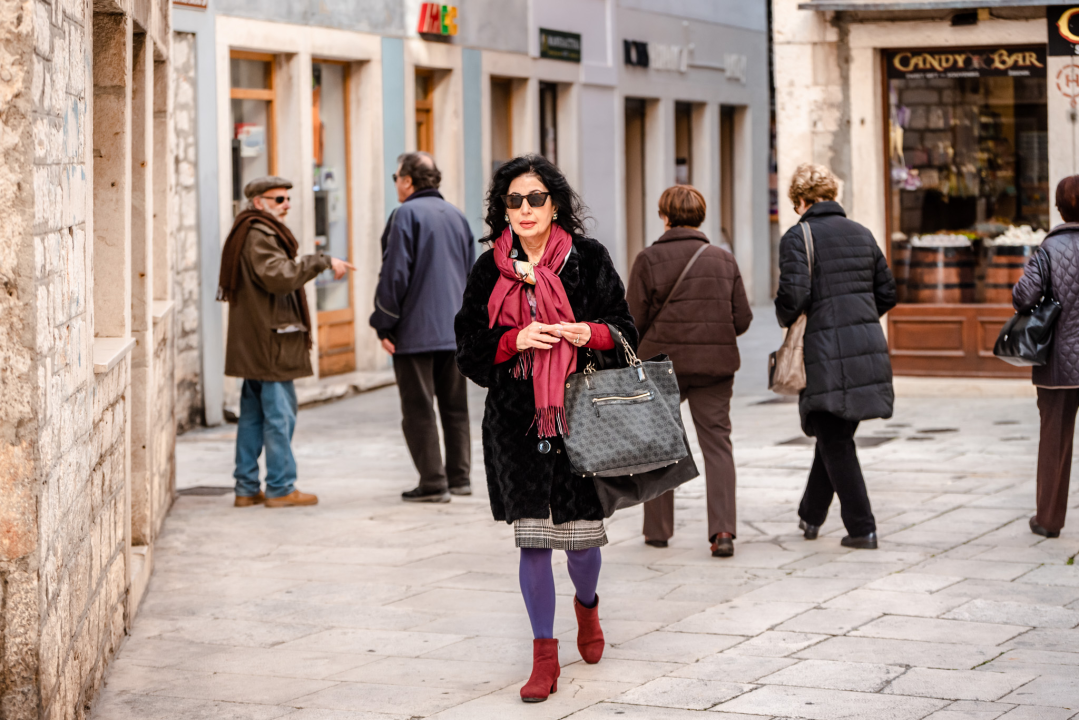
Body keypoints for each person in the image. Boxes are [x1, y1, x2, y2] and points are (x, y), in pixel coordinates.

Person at [455, 154, 637, 703]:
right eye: (514, 200)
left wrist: (587, 332)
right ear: (503, 210)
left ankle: (588, 607)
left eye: (536, 198)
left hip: (578, 415)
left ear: (554, 204)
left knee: (580, 544)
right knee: (532, 541)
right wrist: (514, 340)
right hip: (516, 422)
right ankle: (543, 657)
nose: (526, 208)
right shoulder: (489, 268)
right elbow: (469, 348)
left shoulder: (588, 257)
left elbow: (624, 329)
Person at [627, 185, 752, 558]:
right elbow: (742, 319)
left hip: (661, 366)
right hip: (714, 368)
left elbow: (632, 321)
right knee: (717, 444)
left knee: (660, 443)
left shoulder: (648, 259)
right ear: (701, 217)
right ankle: (723, 531)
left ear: (665, 217)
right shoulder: (724, 260)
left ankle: (658, 531)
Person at [775, 163, 896, 549]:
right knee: (834, 433)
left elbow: (792, 298)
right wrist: (858, 317)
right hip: (866, 347)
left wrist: (787, 315)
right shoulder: (862, 233)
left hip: (824, 351)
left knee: (835, 440)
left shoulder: (798, 236)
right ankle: (811, 514)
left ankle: (862, 528)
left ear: (801, 200)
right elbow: (888, 292)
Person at [218, 176, 354, 508]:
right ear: (258, 202)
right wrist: (321, 261)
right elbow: (280, 277)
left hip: (260, 339)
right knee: (280, 416)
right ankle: (280, 487)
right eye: (279, 199)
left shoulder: (251, 230)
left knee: (253, 417)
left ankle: (246, 488)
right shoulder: (259, 234)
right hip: (269, 341)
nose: (286, 205)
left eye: (287, 199)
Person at [371, 152, 475, 503]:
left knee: (418, 409)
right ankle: (459, 478)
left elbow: (394, 275)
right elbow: (472, 275)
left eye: (396, 177)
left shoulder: (405, 214)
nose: (396, 184)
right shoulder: (456, 215)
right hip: (455, 331)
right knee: (455, 407)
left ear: (408, 181)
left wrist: (384, 323)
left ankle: (433, 483)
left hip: (415, 331)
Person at [1012, 174, 1079, 539]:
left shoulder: (1049, 249)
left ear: (1059, 207)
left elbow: (1024, 297)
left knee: (1054, 440)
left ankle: (1049, 521)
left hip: (1060, 364)